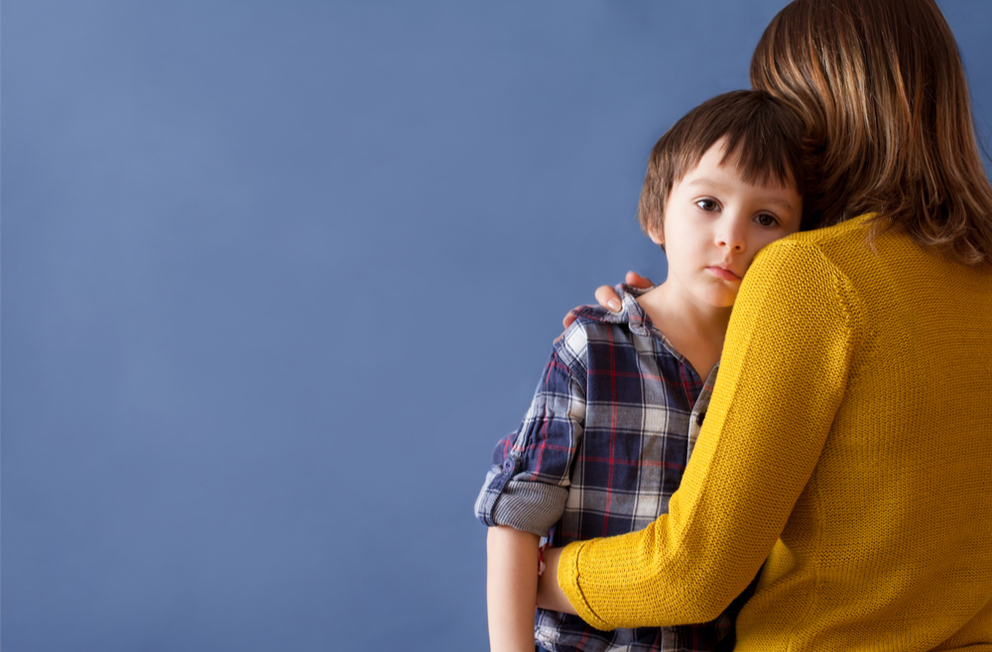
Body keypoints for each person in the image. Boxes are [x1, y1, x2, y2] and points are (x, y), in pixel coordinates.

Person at [536, 0, 992, 650]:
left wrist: (539, 569)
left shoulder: (808, 276)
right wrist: (675, 322)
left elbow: (693, 573)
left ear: (819, 110)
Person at [476, 90, 806, 652]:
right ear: (657, 215)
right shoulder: (594, 346)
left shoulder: (775, 367)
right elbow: (518, 515)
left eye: (766, 217)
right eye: (708, 204)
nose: (733, 237)